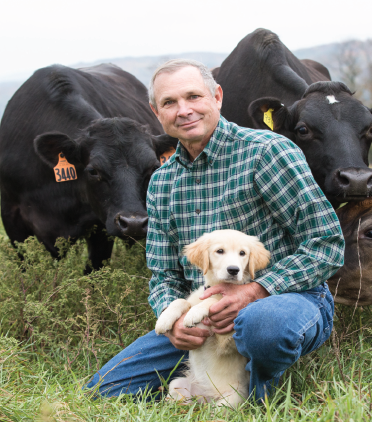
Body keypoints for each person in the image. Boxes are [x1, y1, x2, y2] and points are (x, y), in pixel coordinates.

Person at [85, 59, 344, 403]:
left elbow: (327, 243)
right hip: (202, 316)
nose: (184, 110)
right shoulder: (161, 182)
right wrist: (174, 321)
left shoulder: (267, 152)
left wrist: (258, 289)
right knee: (104, 391)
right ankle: (202, 384)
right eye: (169, 103)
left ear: (217, 97)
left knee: (261, 326)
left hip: (287, 300)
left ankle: (256, 395)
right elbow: (163, 274)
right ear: (156, 112)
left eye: (194, 96)